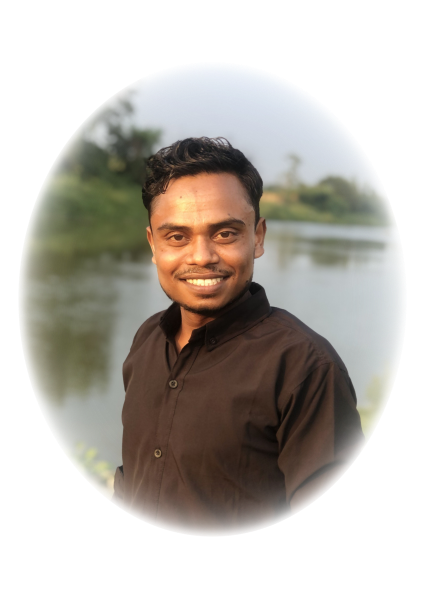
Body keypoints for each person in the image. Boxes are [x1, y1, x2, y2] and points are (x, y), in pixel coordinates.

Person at [111, 137, 365, 535]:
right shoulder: (147, 339)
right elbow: (132, 480)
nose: (201, 256)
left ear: (258, 237)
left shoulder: (304, 366)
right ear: (153, 245)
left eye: (225, 234)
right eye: (176, 237)